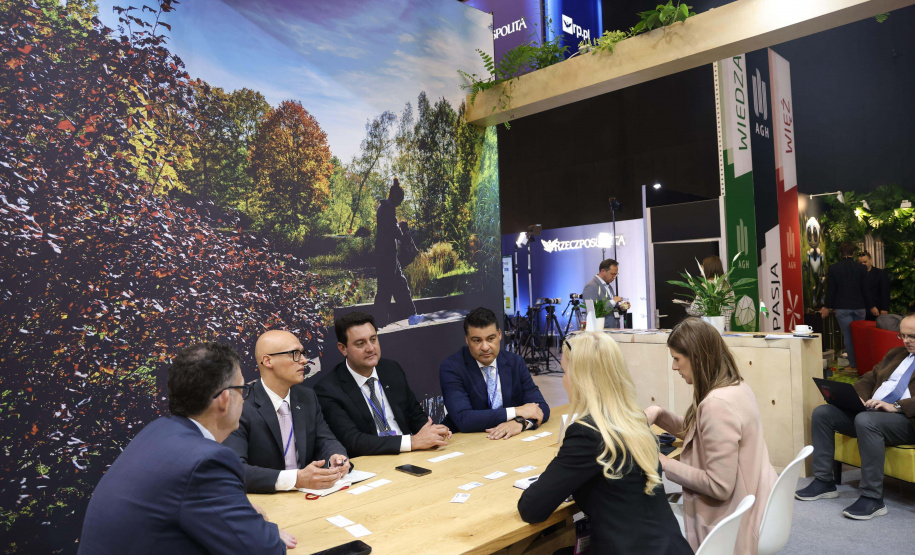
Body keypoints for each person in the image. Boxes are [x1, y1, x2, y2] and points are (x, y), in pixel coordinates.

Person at [78, 343, 294, 554]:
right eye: (242, 390)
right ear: (225, 399)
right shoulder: (206, 461)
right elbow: (263, 549)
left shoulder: (156, 431)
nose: (244, 400)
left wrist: (238, 512)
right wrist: (260, 525)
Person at [518, 332, 692, 554]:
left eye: (565, 372)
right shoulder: (634, 420)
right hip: (670, 547)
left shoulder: (587, 432)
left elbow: (531, 508)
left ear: (580, 379)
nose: (564, 380)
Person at [646, 318, 776, 553]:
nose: (674, 367)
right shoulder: (735, 387)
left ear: (696, 358)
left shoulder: (716, 405)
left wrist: (661, 461)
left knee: (646, 526)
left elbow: (719, 486)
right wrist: (660, 414)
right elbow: (701, 432)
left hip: (731, 523)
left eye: (677, 359)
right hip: (753, 503)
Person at [796, 313, 915, 520]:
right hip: (873, 413)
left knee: (866, 420)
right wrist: (858, 397)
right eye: (902, 335)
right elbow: (869, 378)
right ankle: (824, 481)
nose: (906, 341)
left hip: (905, 420)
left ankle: (872, 498)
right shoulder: (896, 354)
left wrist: (896, 406)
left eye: (912, 336)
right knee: (823, 413)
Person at [224, 330, 350, 493]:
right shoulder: (241, 406)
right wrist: (295, 479)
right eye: (295, 354)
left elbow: (325, 439)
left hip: (309, 495)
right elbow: (236, 469)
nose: (304, 360)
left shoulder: (306, 397)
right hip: (266, 499)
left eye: (303, 353)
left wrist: (336, 457)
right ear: (268, 361)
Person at [312, 311, 451, 456]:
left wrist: (432, 432)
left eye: (373, 339)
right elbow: (352, 441)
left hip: (410, 454)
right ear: (343, 348)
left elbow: (414, 414)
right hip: (371, 461)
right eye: (360, 344)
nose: (370, 348)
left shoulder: (391, 369)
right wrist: (412, 442)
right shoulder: (328, 390)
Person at [439, 307, 550, 439]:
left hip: (508, 440)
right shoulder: (452, 368)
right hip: (468, 440)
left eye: (490, 339)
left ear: (500, 335)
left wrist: (520, 423)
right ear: (467, 340)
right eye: (477, 340)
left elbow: (541, 408)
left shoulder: (515, 362)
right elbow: (464, 419)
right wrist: (517, 411)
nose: (485, 347)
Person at [374, 177, 422, 327]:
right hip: (387, 257)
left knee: (400, 285)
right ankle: (379, 324)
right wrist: (402, 228)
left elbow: (388, 229)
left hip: (387, 256)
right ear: (395, 196)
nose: (400, 203)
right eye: (400, 199)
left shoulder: (383, 207)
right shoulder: (388, 208)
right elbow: (394, 232)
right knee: (385, 290)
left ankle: (412, 316)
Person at [820, 241, 874, 371]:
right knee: (859, 336)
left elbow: (831, 290)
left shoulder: (834, 268)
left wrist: (827, 306)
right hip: (859, 307)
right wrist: (871, 306)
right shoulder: (861, 268)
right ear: (853, 253)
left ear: (840, 253)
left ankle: (853, 365)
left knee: (848, 336)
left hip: (842, 307)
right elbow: (866, 289)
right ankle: (863, 364)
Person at [581, 258, 623, 328]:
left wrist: (621, 308)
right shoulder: (591, 286)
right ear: (603, 271)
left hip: (613, 329)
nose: (614, 277)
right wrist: (613, 302)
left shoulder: (608, 286)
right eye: (612, 274)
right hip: (601, 330)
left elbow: (611, 310)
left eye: (616, 274)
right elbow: (593, 312)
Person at [858, 250, 890, 321]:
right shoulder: (857, 275)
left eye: (865, 262)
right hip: (861, 310)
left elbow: (885, 292)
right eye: (861, 263)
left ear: (871, 260)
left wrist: (884, 308)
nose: (863, 264)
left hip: (877, 309)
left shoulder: (880, 273)